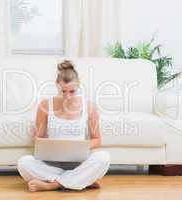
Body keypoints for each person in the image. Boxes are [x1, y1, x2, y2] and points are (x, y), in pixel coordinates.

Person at [17, 60, 111, 192]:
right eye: (63, 91)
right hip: (52, 164)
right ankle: (82, 180)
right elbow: (38, 138)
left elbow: (97, 139)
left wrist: (80, 146)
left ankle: (53, 184)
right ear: (57, 85)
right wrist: (47, 145)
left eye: (72, 91)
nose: (67, 96)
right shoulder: (45, 106)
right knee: (24, 162)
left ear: (78, 85)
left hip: (79, 163)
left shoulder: (89, 107)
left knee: (103, 157)